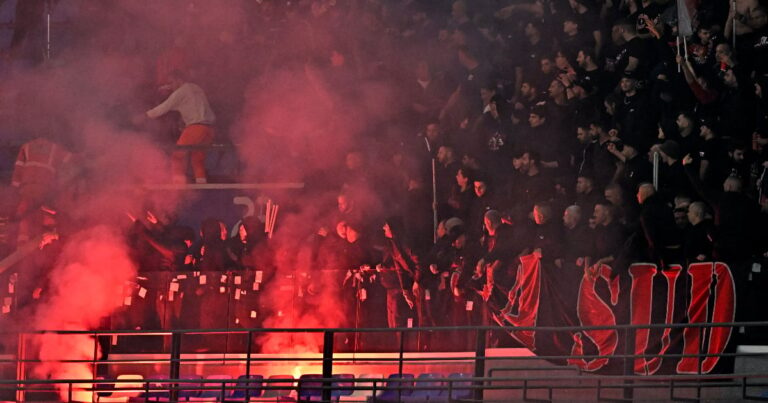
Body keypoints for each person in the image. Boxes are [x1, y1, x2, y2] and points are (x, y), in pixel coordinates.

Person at [143, 70, 216, 184]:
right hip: (209, 129)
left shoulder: (181, 92)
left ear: (178, 80)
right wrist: (167, 88)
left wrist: (146, 115)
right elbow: (191, 105)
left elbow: (163, 108)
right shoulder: (196, 88)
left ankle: (177, 188)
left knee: (177, 156)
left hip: (195, 128)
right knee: (198, 160)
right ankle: (202, 186)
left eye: (172, 82)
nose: (171, 86)